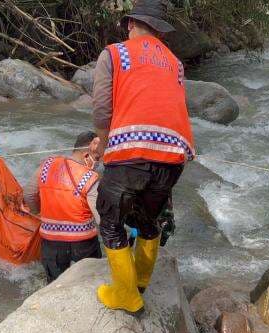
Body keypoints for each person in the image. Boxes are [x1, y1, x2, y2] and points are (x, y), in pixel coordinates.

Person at [92, 0, 195, 313]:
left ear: (129, 24)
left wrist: (105, 144)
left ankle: (126, 295)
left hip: (131, 153)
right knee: (147, 220)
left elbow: (101, 109)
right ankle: (139, 284)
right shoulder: (175, 62)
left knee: (111, 219)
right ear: (159, 30)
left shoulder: (115, 53)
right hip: (175, 155)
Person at [24, 131, 102, 283]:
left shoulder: (46, 166)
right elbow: (100, 216)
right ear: (87, 154)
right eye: (97, 158)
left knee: (55, 284)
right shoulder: (90, 177)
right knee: (87, 283)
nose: (98, 163)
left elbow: (28, 194)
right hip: (83, 243)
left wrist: (39, 212)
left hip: (51, 241)